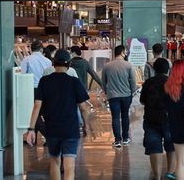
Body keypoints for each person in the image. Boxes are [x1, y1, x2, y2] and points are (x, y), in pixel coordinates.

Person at [26, 49, 100, 180]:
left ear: (53, 63)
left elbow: (37, 105)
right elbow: (83, 108)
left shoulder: (44, 81)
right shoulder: (74, 82)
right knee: (69, 165)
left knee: (54, 161)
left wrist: (31, 129)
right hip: (70, 129)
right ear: (69, 64)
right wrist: (87, 126)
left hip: (52, 128)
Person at [140, 58, 176, 180]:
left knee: (154, 146)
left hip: (151, 118)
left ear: (154, 69)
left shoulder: (148, 82)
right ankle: (170, 172)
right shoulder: (173, 82)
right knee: (171, 145)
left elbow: (142, 101)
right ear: (168, 69)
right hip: (170, 119)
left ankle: (157, 176)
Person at [102, 45, 137, 147]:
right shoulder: (128, 65)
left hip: (113, 95)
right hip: (126, 95)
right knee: (125, 115)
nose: (126, 53)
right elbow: (133, 82)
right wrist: (132, 92)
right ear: (122, 52)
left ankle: (117, 140)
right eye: (125, 52)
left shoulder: (107, 66)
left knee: (115, 117)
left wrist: (106, 91)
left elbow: (104, 81)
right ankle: (125, 138)